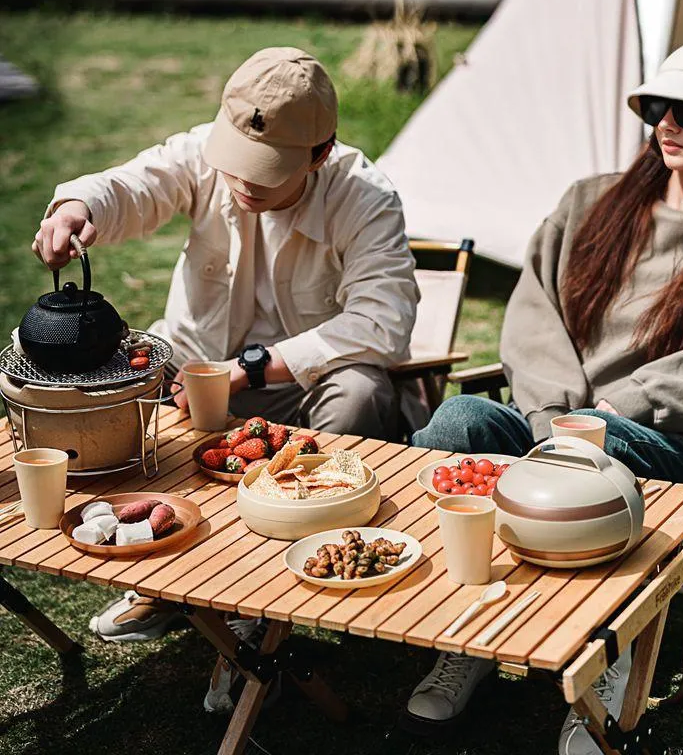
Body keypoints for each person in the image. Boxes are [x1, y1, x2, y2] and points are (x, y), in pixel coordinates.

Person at [405, 40, 683, 753]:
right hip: (550, 427)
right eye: (655, 107)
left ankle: (609, 655)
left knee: (598, 435)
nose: (664, 124)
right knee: (457, 418)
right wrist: (554, 417)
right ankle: (466, 635)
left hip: (657, 452)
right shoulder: (591, 201)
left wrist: (636, 397)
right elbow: (532, 315)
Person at [33, 47, 420, 710]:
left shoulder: (364, 195)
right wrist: (75, 205)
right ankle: (169, 585)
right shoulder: (201, 157)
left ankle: (258, 614)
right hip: (191, 369)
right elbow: (131, 185)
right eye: (236, 163)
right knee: (115, 384)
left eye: (265, 174)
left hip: (303, 387)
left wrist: (247, 372)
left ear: (320, 153)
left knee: (362, 392)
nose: (243, 183)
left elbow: (384, 322)